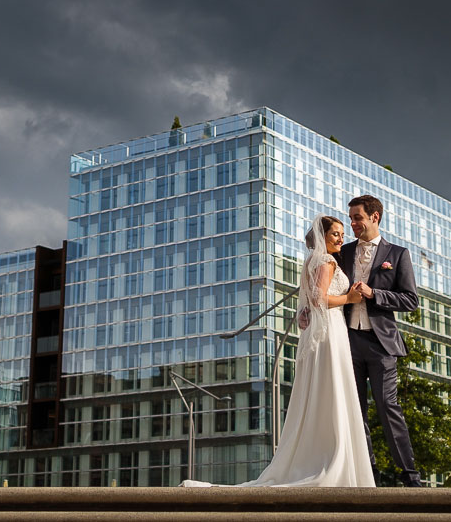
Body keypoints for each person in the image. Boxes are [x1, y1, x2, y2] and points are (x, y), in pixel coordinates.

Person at [180, 215, 374, 487]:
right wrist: (349, 298)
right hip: (330, 332)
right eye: (335, 234)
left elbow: (307, 305)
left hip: (321, 332)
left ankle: (316, 454)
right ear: (322, 236)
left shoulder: (310, 262)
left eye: (341, 234)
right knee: (333, 390)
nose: (340, 239)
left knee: (322, 392)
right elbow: (319, 298)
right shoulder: (327, 262)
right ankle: (332, 459)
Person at [341, 194, 422, 487]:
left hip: (381, 345)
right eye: (350, 218)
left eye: (357, 218)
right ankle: (369, 473)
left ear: (374, 217)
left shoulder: (398, 254)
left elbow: (411, 300)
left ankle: (410, 475)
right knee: (354, 410)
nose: (353, 224)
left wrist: (375, 293)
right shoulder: (344, 252)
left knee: (388, 407)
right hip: (347, 341)